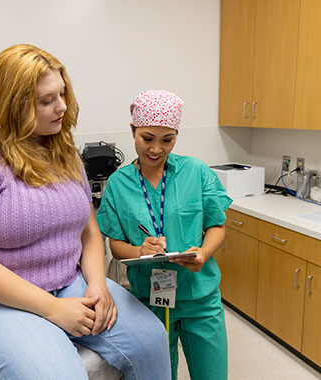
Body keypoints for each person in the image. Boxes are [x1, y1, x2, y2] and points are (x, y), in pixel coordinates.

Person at [0, 45, 170, 380]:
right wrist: (53, 310)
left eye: (62, 93)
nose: (61, 107)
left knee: (151, 340)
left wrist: (98, 284)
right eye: (47, 100)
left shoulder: (64, 151)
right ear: (11, 105)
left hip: (65, 281)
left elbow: (88, 229)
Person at [97, 90, 232, 380]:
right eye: (147, 138)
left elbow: (217, 224)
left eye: (167, 140)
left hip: (200, 297)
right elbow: (115, 244)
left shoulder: (195, 172)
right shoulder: (119, 183)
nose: (156, 149)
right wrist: (140, 251)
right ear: (133, 130)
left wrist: (204, 252)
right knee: (158, 375)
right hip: (148, 300)